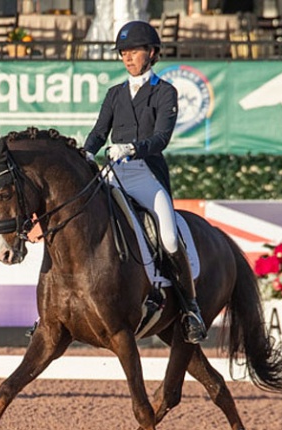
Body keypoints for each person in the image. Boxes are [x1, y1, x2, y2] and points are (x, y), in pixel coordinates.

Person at [83, 20, 206, 344]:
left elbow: (162, 138)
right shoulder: (115, 94)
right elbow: (99, 132)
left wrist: (133, 147)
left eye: (134, 51)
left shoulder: (165, 92)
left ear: (151, 53)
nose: (128, 57)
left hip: (146, 174)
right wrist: (85, 152)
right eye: (123, 52)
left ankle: (190, 307)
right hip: (114, 172)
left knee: (167, 236)